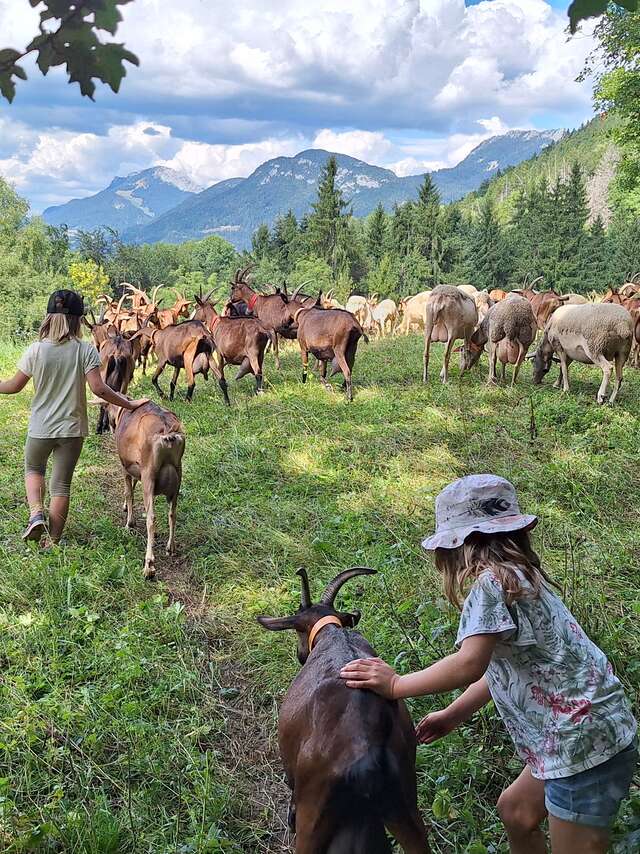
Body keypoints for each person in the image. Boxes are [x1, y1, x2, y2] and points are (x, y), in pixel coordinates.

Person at [340, 474, 638, 854]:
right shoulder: (522, 578)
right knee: (515, 812)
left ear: (457, 546)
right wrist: (452, 714)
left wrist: (396, 684)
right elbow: (504, 671)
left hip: (577, 744)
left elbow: (468, 664)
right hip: (581, 731)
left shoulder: (489, 586)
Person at [0, 289, 148, 545]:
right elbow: (99, 389)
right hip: (72, 429)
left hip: (40, 428)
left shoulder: (36, 350)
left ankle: (36, 513)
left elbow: (14, 386)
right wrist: (129, 403)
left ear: (49, 317)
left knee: (34, 469)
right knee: (61, 486)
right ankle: (53, 541)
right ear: (78, 320)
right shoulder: (85, 351)